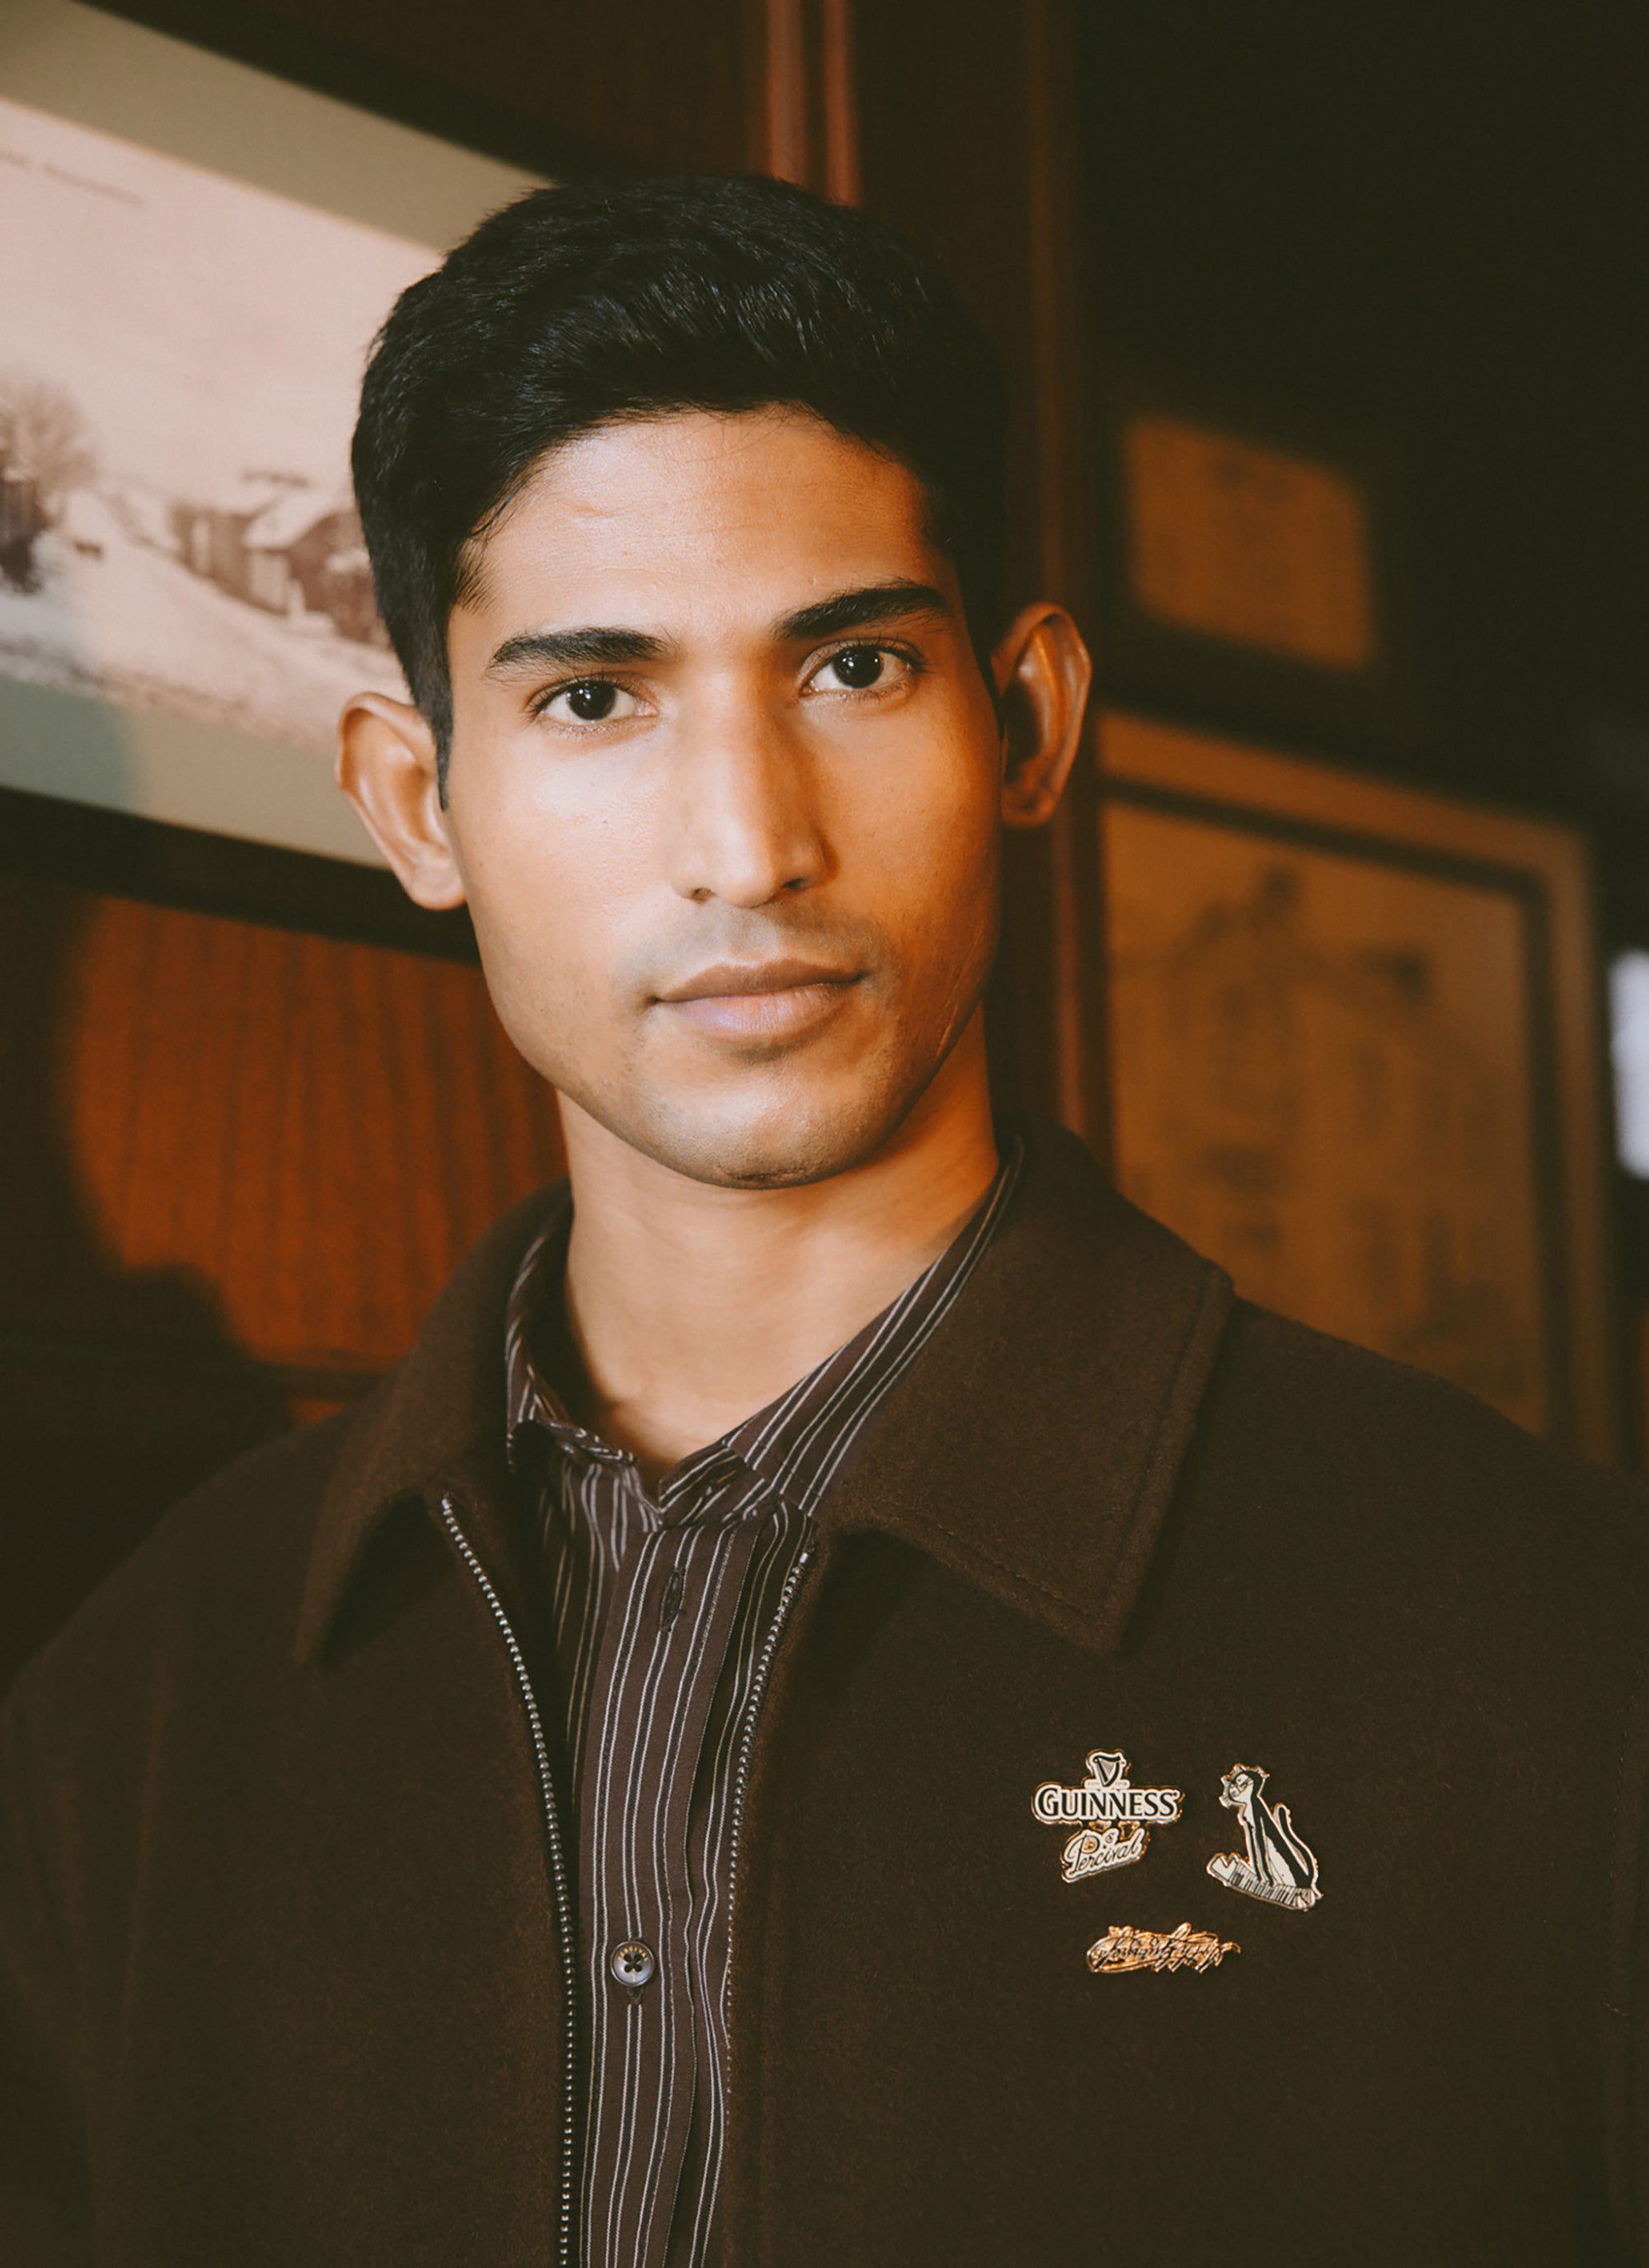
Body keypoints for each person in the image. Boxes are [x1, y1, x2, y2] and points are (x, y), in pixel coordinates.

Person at [1, 172, 1644, 2268]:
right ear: (419, 803)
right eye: (593, 697)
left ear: (1024, 722)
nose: (747, 843)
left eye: (853, 666)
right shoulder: (139, 1711)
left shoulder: (1543, 1638)